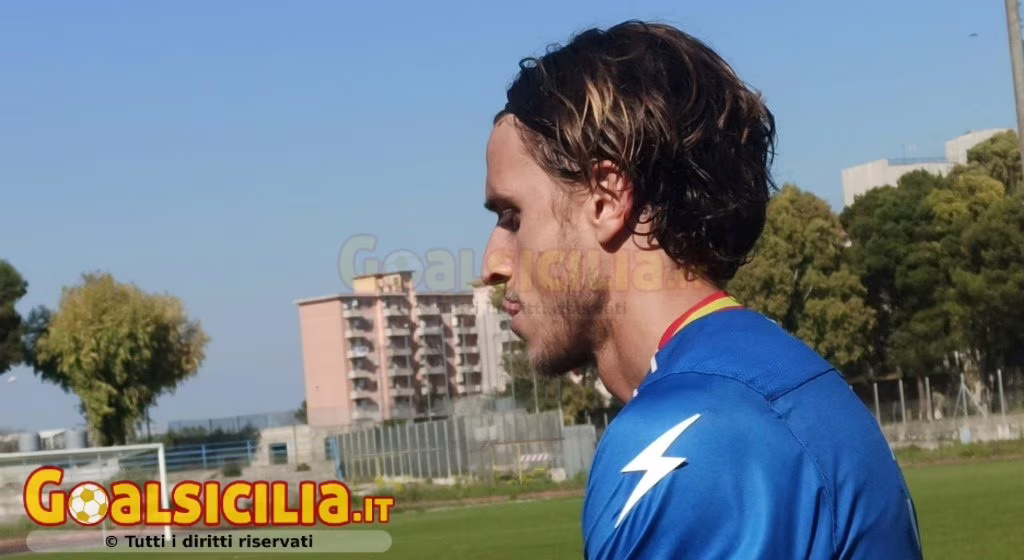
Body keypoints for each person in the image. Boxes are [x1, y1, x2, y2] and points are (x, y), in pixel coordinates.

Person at [480, 20, 923, 560]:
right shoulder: (781, 381)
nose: (493, 263)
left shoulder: (689, 433)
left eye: (512, 217)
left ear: (605, 200)